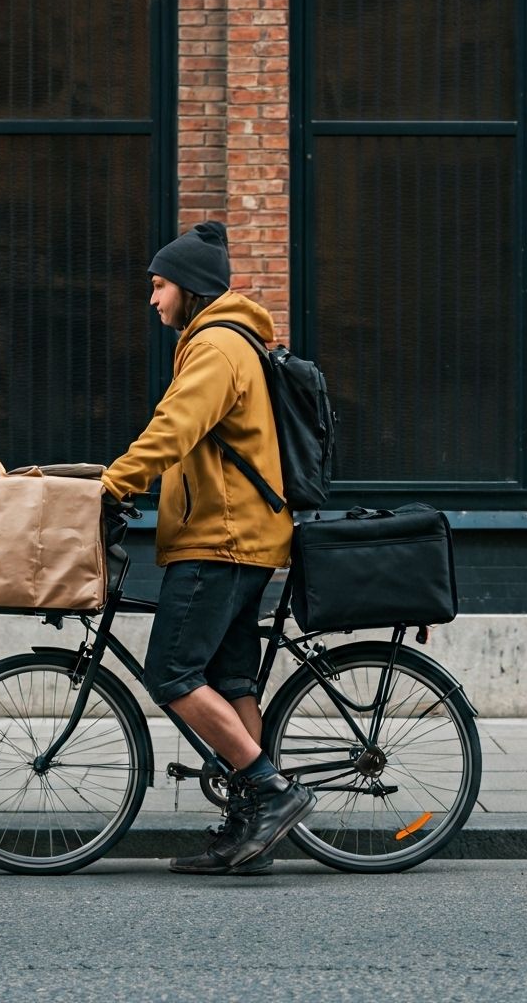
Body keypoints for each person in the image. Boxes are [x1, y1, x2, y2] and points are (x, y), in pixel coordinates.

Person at [100, 220, 315, 876]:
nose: (153, 299)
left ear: (189, 288)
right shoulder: (222, 340)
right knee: (229, 679)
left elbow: (174, 428)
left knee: (170, 673)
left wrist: (113, 483)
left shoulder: (217, 347)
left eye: (159, 286)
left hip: (221, 541)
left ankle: (271, 791)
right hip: (241, 537)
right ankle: (249, 829)